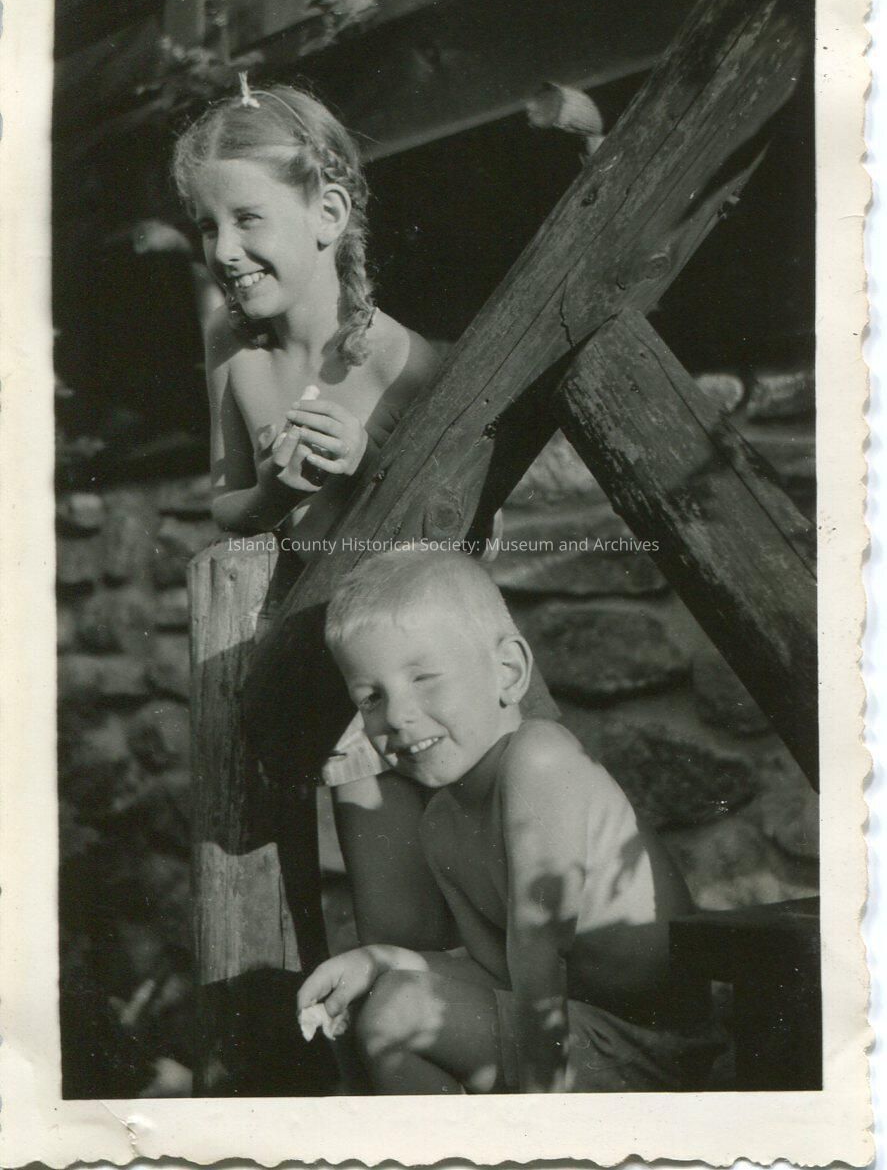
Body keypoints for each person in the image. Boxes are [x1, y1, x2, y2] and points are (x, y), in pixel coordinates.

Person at [173, 77, 458, 949]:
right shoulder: (234, 350)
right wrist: (278, 492)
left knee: (497, 887)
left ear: (327, 213)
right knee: (396, 926)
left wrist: (370, 465)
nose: (224, 250)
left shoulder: (401, 361)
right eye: (207, 226)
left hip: (434, 668)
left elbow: (457, 533)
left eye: (246, 219)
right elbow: (229, 504)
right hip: (340, 683)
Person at [297, 548, 721, 1094]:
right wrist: (376, 961)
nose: (397, 716)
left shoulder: (539, 758)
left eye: (424, 678)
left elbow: (541, 957)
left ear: (509, 672)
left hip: (653, 1051)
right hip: (575, 1035)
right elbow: (497, 972)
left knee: (399, 1011)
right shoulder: (441, 825)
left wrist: (537, 1116)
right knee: (380, 999)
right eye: (371, 698)